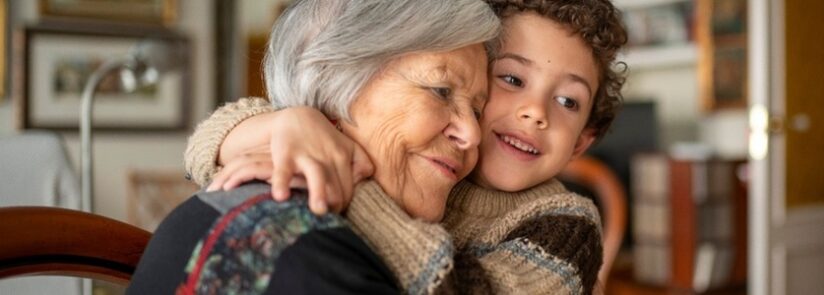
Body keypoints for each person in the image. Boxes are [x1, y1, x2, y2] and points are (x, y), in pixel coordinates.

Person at [185, 0, 628, 293]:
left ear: (581, 143)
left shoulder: (566, 224)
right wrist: (288, 124)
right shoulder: (433, 164)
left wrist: (346, 174)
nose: (536, 112)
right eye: (511, 80)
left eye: (569, 101)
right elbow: (205, 144)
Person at [127, 0, 499, 294]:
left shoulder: (275, 206)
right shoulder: (299, 248)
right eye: (441, 91)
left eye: (478, 110)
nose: (472, 134)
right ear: (333, 83)